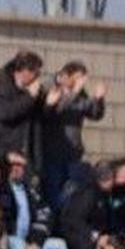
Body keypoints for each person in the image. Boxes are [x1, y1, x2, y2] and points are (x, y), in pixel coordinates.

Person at [39, 60, 105, 208]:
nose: (81, 82)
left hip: (73, 154)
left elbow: (94, 114)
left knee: (71, 196)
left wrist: (99, 100)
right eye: (78, 77)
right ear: (67, 76)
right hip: (52, 153)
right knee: (53, 195)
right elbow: (55, 111)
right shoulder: (52, 88)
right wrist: (74, 92)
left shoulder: (80, 94)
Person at [0, 50, 44, 168]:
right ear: (25, 72)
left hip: (24, 152)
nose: (36, 78)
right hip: (3, 155)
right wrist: (29, 97)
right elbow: (5, 113)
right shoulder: (1, 86)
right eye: (35, 73)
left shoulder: (29, 90)